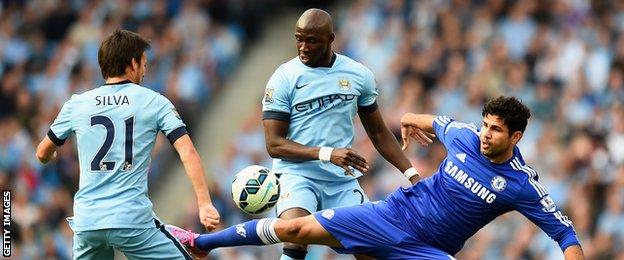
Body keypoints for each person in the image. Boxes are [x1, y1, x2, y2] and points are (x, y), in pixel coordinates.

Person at [166, 96, 585, 259]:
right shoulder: (463, 135)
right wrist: (406, 122)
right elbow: (416, 117)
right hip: (391, 215)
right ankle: (199, 244)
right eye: (484, 125)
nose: (485, 135)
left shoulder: (520, 183)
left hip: (429, 251)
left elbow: (566, 237)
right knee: (294, 228)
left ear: (516, 136)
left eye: (495, 130)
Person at [35, 29, 220, 259]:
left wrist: (49, 156)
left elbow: (42, 152)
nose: (145, 69)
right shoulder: (154, 102)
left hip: (87, 222)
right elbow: (188, 152)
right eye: (143, 63)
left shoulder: (77, 104)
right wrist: (204, 204)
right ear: (132, 63)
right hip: (131, 220)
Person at [259, 8, 417, 260]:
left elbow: (378, 132)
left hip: (341, 181)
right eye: (299, 38)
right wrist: (326, 153)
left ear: (331, 39)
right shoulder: (283, 78)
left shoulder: (358, 75)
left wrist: (412, 174)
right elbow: (274, 144)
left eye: (312, 40)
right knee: (295, 236)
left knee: (373, 250)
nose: (303, 47)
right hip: (297, 175)